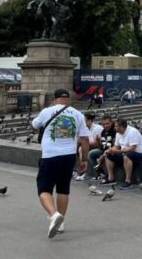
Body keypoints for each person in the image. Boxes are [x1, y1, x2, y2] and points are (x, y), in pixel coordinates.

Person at [31, 88, 89, 238]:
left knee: (44, 189)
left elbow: (34, 125)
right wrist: (84, 160)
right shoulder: (78, 114)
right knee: (63, 189)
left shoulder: (47, 111)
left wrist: (50, 108)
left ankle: (54, 215)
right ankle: (61, 223)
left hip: (50, 155)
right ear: (68, 99)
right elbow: (85, 140)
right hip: (69, 156)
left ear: (55, 99)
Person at [101, 118, 142, 188]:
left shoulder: (133, 132)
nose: (114, 128)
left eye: (116, 126)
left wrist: (118, 151)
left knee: (127, 156)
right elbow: (116, 146)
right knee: (108, 155)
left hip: (139, 155)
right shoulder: (118, 133)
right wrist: (110, 150)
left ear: (121, 127)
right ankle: (111, 178)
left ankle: (128, 181)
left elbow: (132, 148)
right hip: (124, 154)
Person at [74, 113, 104, 181]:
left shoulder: (97, 128)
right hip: (90, 147)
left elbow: (97, 144)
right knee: (75, 148)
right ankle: (75, 171)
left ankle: (84, 172)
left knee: (81, 149)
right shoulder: (85, 129)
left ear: (90, 120)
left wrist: (84, 143)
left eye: (84, 121)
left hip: (98, 148)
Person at [86, 115, 117, 180]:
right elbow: (102, 146)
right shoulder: (103, 132)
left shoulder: (114, 131)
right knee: (91, 154)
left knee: (106, 156)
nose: (105, 125)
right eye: (103, 124)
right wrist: (99, 140)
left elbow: (115, 146)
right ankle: (99, 172)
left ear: (111, 123)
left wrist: (103, 155)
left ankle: (108, 175)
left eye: (107, 123)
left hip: (112, 151)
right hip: (104, 150)